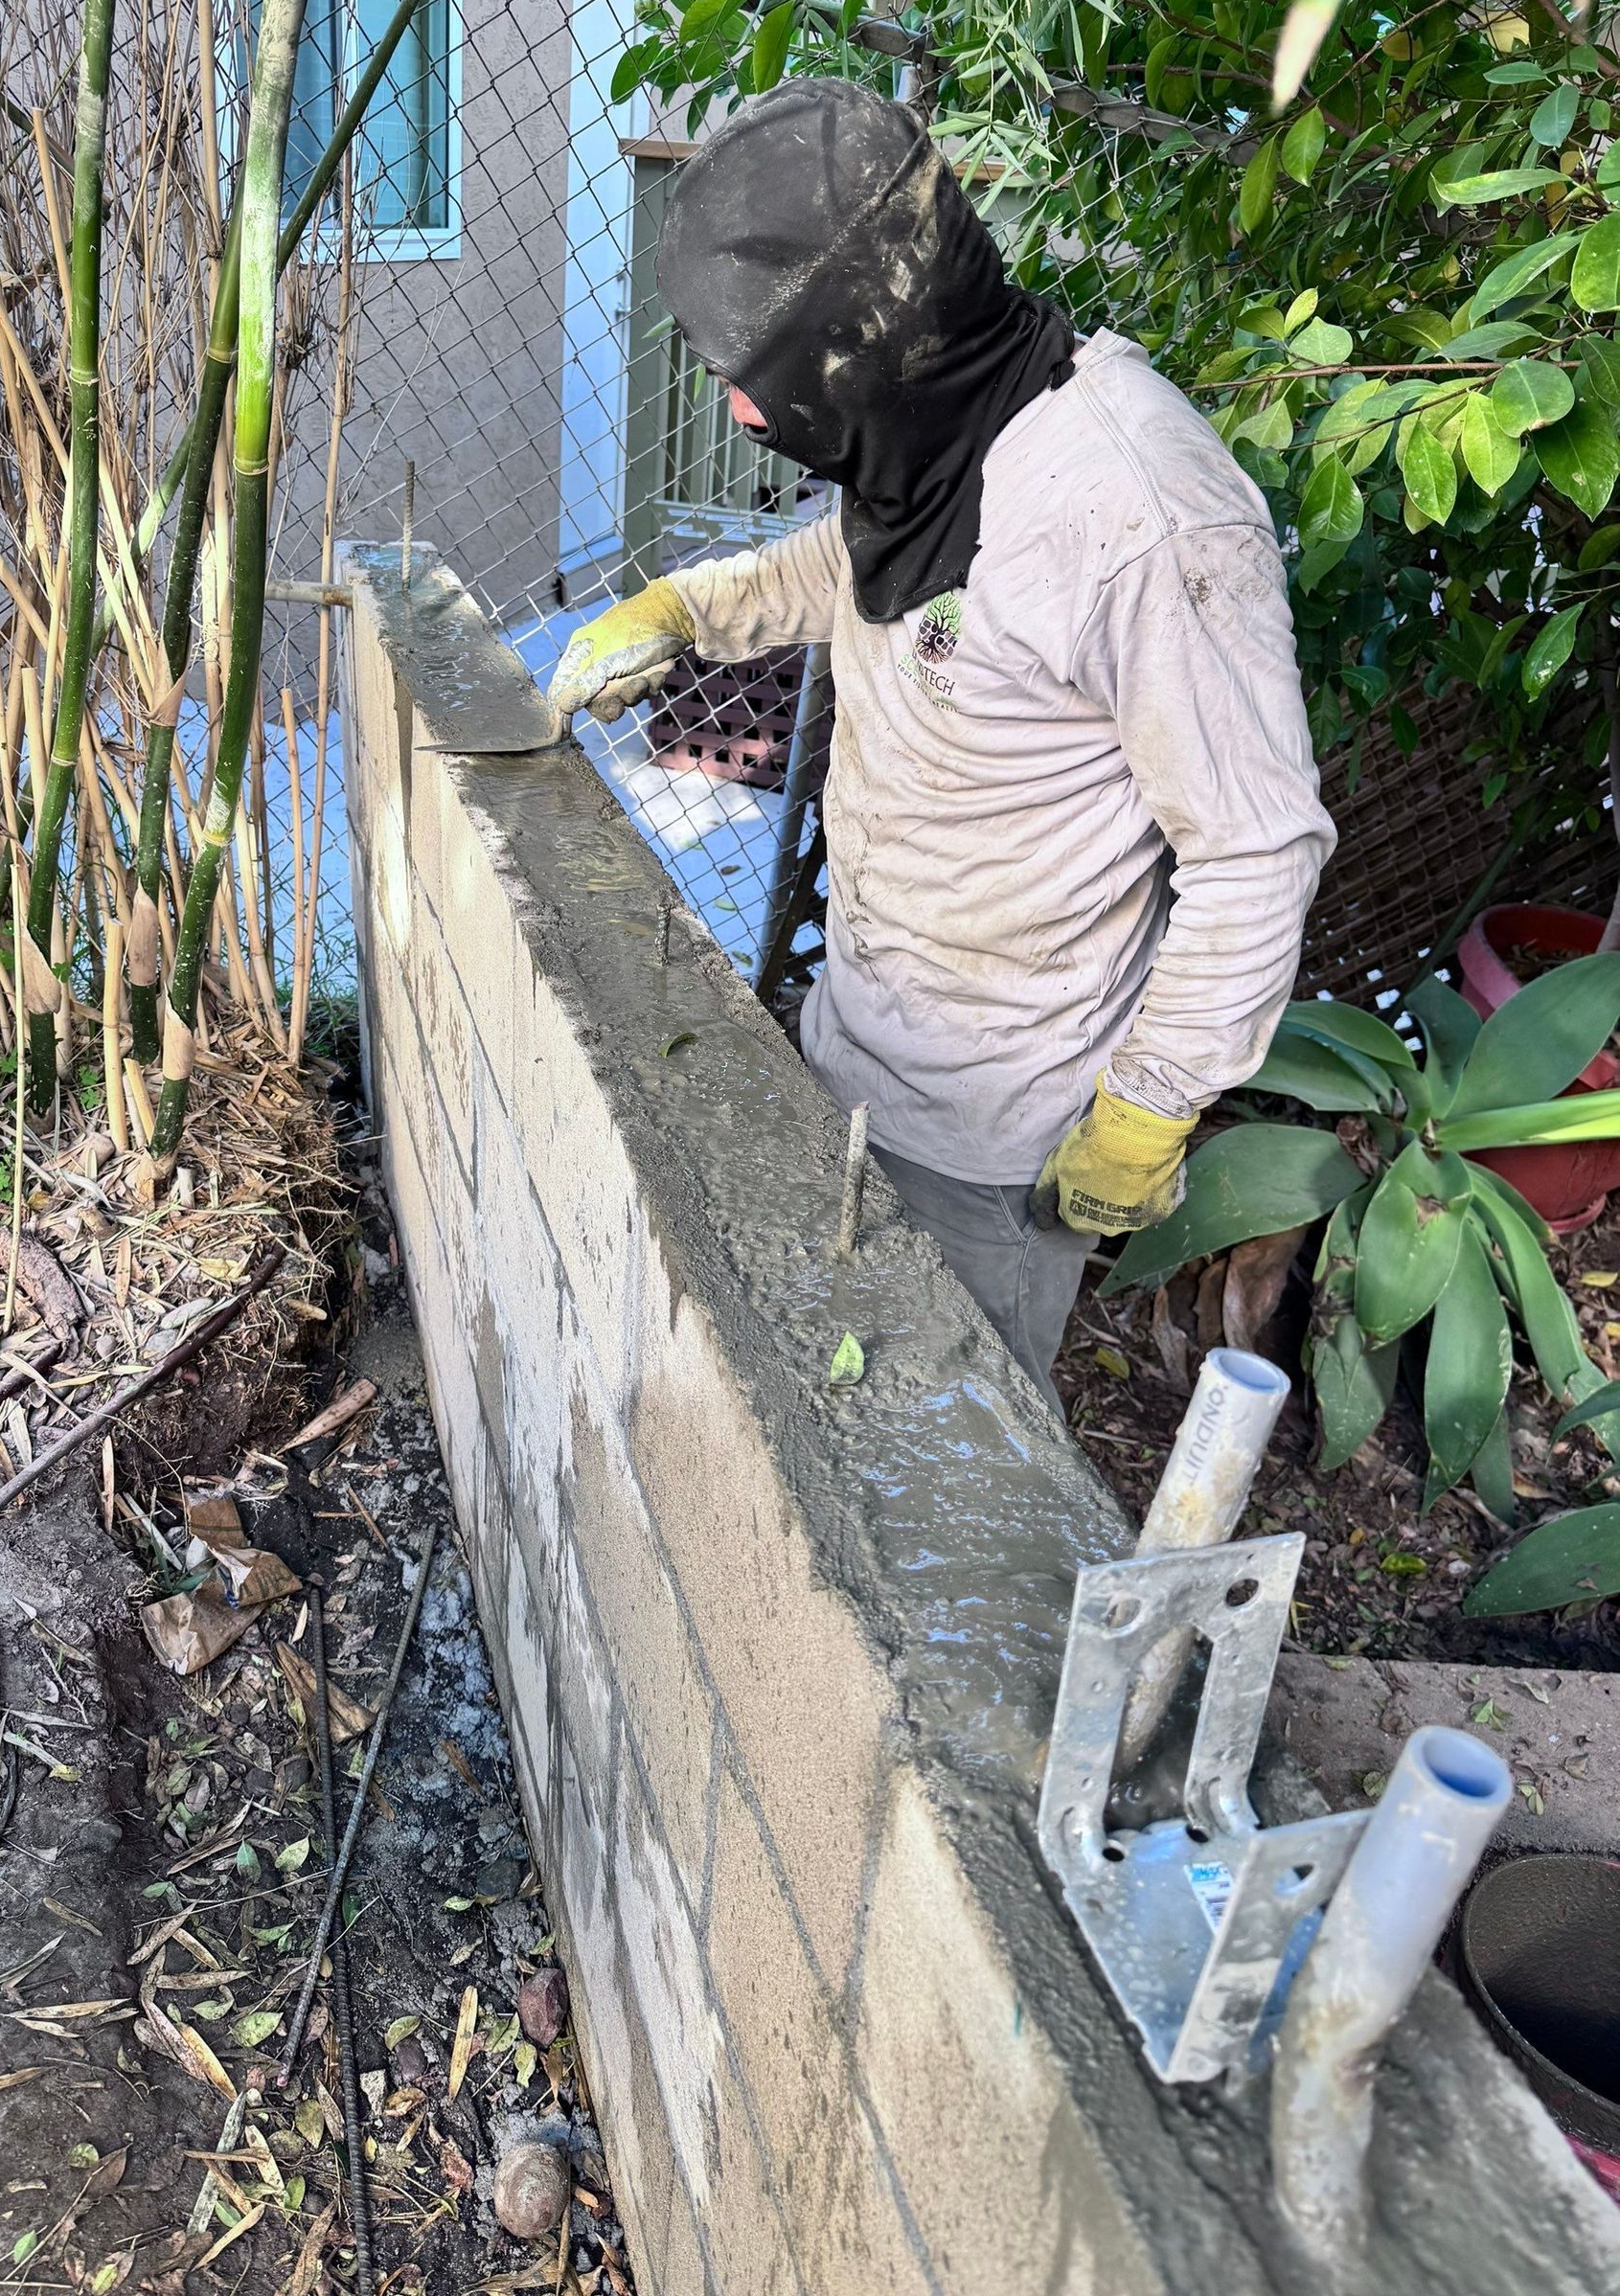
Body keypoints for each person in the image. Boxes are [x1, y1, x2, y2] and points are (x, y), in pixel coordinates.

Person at [548, 79, 1334, 1412]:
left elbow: (1259, 850)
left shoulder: (1142, 517)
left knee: (936, 1459)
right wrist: (687, 609)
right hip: (853, 1041)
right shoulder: (931, 431)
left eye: (761, 381)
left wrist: (1152, 1102)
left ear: (868, 343)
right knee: (814, 1399)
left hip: (1002, 1134)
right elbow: (849, 569)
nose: (743, 415)